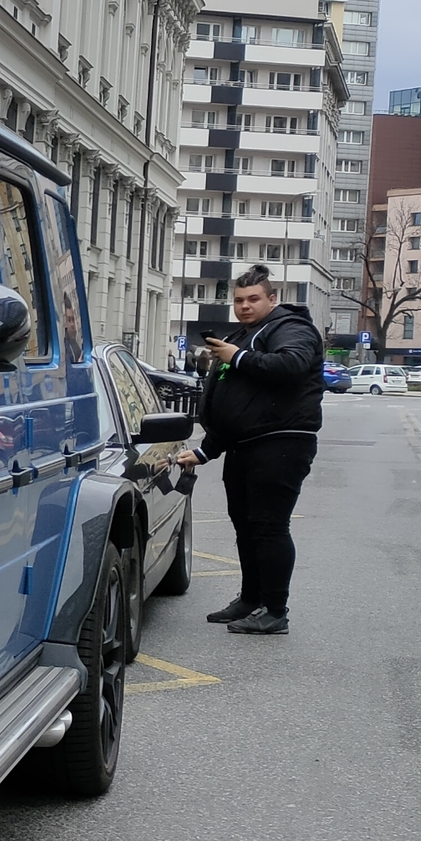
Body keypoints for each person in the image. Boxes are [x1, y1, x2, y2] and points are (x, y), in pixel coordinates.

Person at [174, 266, 323, 634]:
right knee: (246, 527)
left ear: (272, 299)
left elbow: (292, 364)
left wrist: (236, 357)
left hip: (280, 444)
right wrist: (206, 451)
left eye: (253, 298)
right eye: (239, 300)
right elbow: (240, 405)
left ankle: (275, 610)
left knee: (269, 528)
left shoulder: (290, 327)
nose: (244, 306)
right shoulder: (246, 334)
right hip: (246, 446)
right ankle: (251, 599)